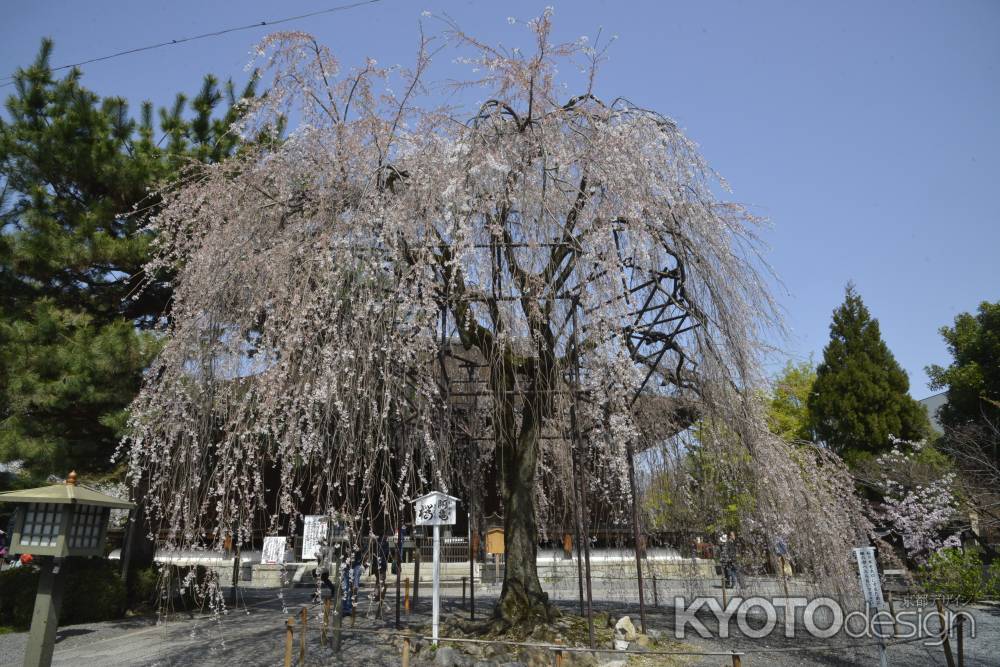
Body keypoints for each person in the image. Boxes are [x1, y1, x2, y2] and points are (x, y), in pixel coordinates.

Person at [341, 545, 364, 614]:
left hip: (357, 565)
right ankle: (345, 608)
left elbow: (364, 551)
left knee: (354, 588)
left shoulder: (358, 539)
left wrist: (358, 549)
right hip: (346, 565)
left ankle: (352, 607)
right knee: (345, 587)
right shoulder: (344, 542)